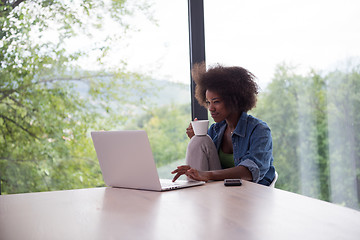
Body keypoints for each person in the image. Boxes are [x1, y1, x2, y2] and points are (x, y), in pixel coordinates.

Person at [172, 63, 275, 186]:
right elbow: (206, 165)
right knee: (199, 140)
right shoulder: (215, 130)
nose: (210, 108)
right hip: (221, 191)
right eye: (208, 102)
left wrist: (206, 174)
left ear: (234, 99)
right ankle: (194, 194)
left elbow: (250, 172)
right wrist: (196, 140)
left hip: (252, 193)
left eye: (216, 102)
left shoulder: (259, 130)